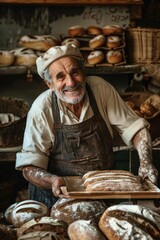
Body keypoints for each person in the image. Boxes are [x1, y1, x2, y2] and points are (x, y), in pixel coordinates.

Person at [16, 44, 158, 208]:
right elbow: (29, 166)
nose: (71, 82)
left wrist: (146, 162)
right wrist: (52, 180)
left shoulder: (100, 89)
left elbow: (135, 128)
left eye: (75, 72)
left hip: (102, 192)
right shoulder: (42, 108)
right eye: (60, 77)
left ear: (83, 72)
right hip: (56, 200)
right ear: (50, 84)